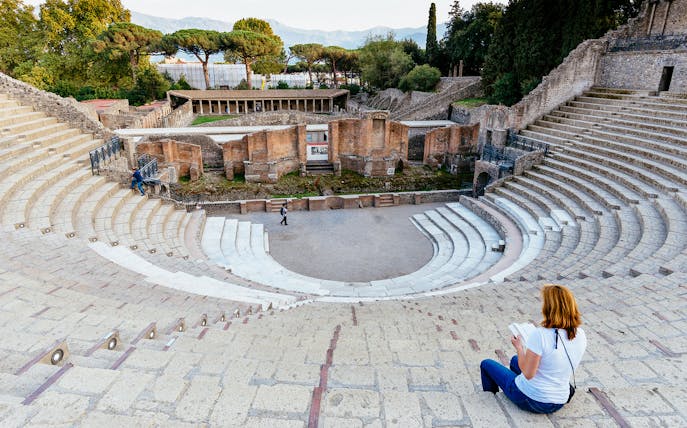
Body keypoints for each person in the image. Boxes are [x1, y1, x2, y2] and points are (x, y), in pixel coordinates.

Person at [480, 284, 587, 414]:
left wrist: (519, 347)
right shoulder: (580, 334)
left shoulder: (540, 334)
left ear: (548, 308)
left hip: (533, 400)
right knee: (514, 360)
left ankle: (491, 399)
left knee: (486, 364)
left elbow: (528, 374)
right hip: (560, 399)